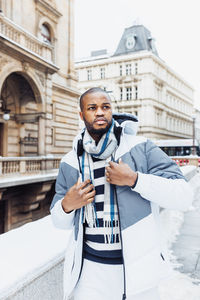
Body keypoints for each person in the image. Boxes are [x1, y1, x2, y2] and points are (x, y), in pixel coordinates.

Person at [50, 87, 193, 300]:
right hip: (89, 276)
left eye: (105, 107)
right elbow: (59, 221)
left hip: (139, 276)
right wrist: (67, 205)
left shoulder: (141, 147)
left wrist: (135, 180)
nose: (100, 112)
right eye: (92, 108)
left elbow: (183, 196)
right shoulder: (70, 162)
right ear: (81, 115)